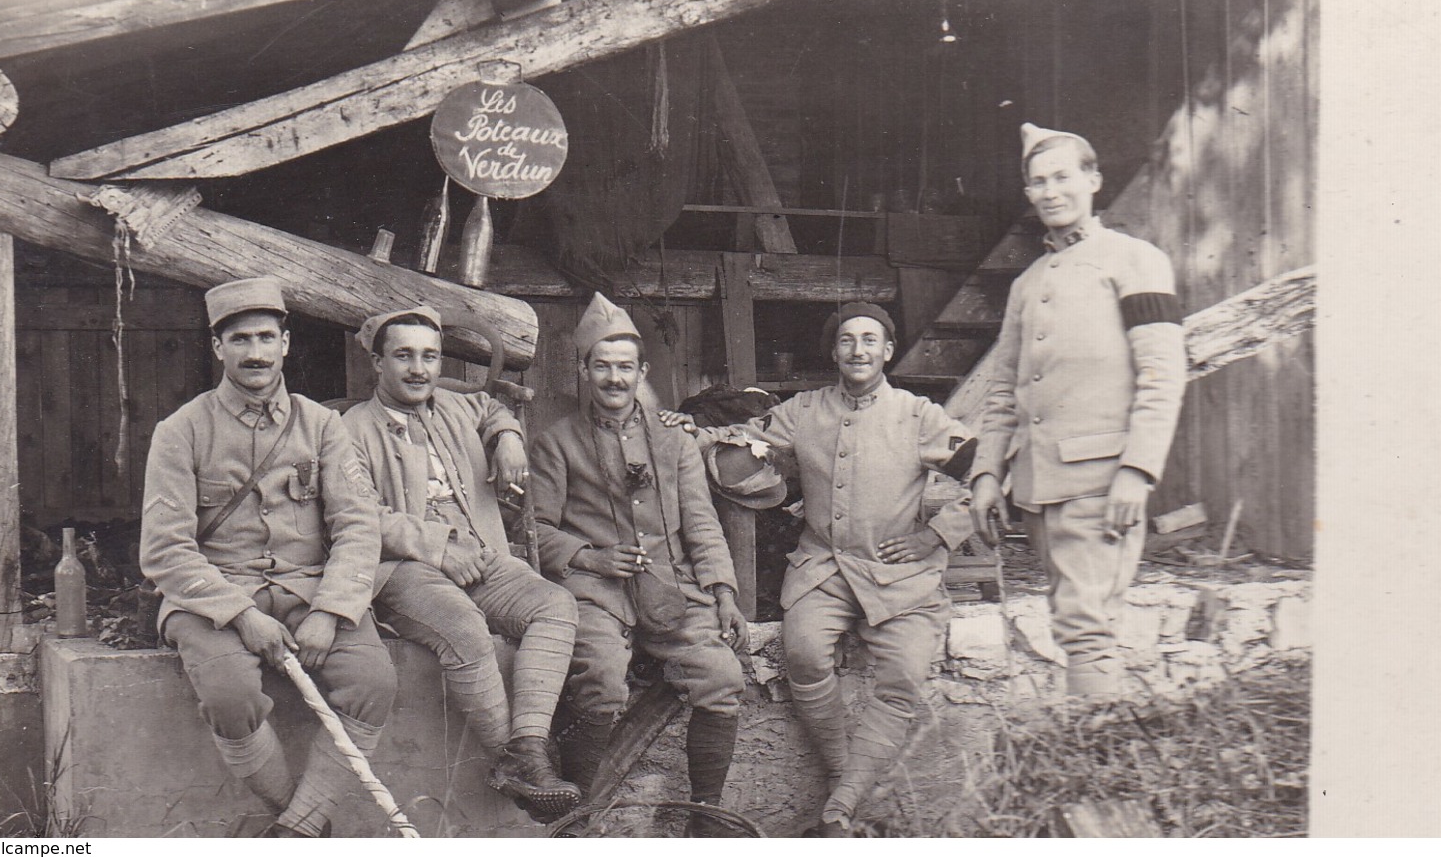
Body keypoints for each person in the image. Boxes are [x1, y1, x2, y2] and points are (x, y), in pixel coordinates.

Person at [661, 302, 979, 837]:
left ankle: (839, 809)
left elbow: (984, 470)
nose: (859, 350)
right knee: (805, 654)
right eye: (848, 340)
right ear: (834, 352)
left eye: (870, 340)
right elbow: (740, 436)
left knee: (902, 677)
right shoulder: (803, 410)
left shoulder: (918, 415)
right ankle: (842, 784)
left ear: (887, 351)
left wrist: (934, 536)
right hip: (824, 568)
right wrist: (691, 429)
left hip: (901, 573)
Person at [140, 277, 395, 838]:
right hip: (210, 598)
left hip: (310, 591)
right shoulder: (179, 431)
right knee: (231, 697)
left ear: (286, 342)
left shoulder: (323, 425)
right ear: (218, 348)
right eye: (239, 340)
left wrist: (332, 609)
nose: (254, 353)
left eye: (265, 337)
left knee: (373, 681)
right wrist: (240, 614)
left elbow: (357, 525)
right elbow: (165, 549)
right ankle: (304, 823)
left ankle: (292, 835)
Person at [967, 123, 1188, 697]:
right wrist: (988, 474)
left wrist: (1137, 473)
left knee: (1087, 629)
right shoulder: (1028, 283)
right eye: (1037, 182)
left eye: (1063, 176)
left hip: (1101, 483)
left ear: (1092, 180)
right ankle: (1091, 764)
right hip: (1038, 490)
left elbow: (1163, 376)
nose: (1050, 191)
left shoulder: (1136, 261)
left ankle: (1093, 774)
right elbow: (1003, 393)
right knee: (1078, 627)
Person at [340, 306, 581, 818]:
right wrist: (437, 547)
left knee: (554, 604)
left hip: (481, 554)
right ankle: (515, 760)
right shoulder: (350, 429)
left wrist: (508, 437)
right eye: (403, 355)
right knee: (465, 627)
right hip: (403, 569)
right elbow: (357, 516)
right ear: (378, 363)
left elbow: (493, 409)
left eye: (429, 356)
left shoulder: (454, 404)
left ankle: (528, 749)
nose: (418, 369)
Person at [528, 293, 747, 836]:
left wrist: (723, 592)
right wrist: (590, 556)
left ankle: (706, 815)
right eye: (601, 365)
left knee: (722, 675)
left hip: (672, 589)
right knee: (601, 679)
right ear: (584, 370)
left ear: (642, 371)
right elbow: (534, 531)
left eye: (625, 367)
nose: (614, 378)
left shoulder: (674, 438)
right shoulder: (556, 443)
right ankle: (576, 815)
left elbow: (700, 523)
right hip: (597, 592)